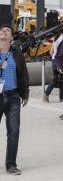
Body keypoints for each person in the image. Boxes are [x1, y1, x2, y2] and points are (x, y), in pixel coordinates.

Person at [0, 25, 29, 176]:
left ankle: (11, 164)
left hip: (13, 98)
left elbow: (23, 73)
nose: (4, 31)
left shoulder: (16, 53)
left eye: (8, 31)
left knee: (14, 132)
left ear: (11, 38)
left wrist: (25, 94)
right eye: (2, 30)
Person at [43, 32, 63, 103]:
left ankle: (46, 94)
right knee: (62, 79)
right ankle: (61, 98)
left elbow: (51, 52)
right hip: (60, 60)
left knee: (56, 79)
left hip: (54, 60)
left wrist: (54, 58)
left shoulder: (56, 39)